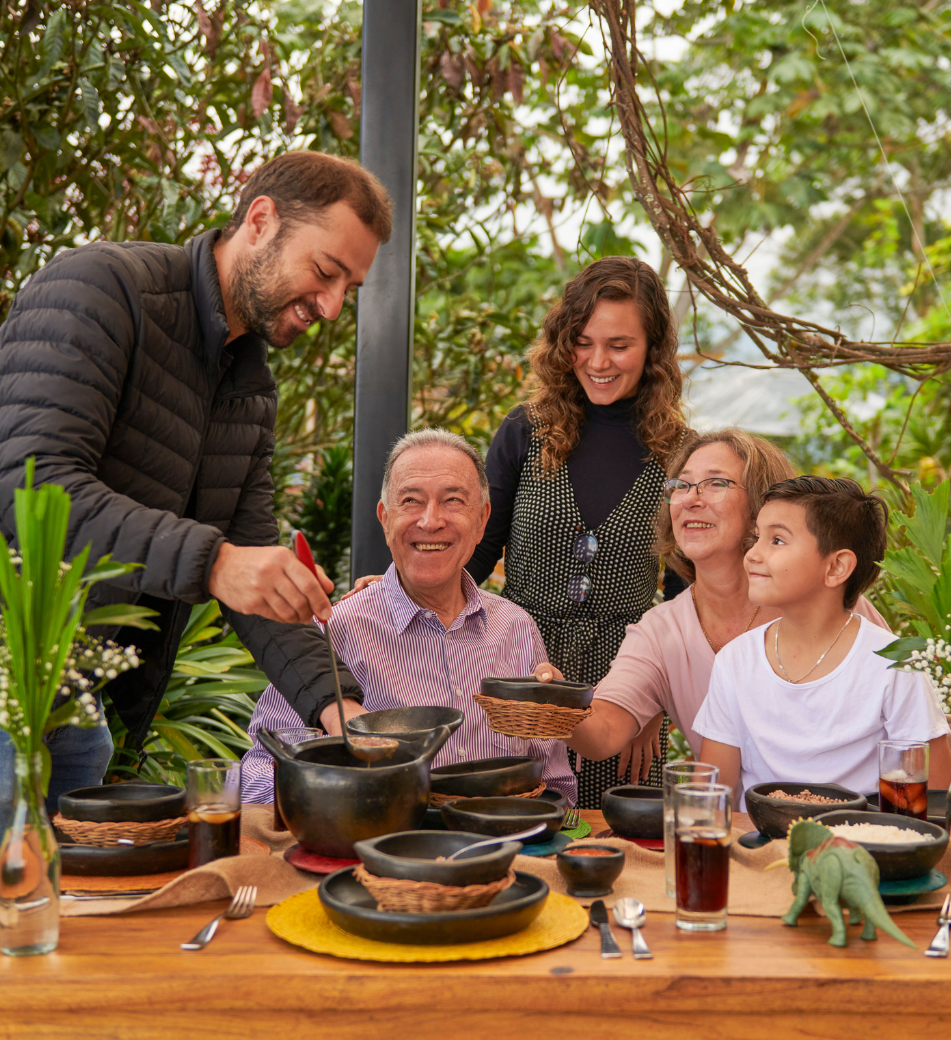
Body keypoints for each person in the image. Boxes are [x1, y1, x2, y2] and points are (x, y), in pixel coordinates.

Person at [0, 150, 391, 810]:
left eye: (347, 291)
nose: (329, 308)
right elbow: (29, 485)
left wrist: (337, 706)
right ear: (261, 220)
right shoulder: (104, 289)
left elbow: (252, 567)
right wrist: (215, 564)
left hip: (72, 698)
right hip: (9, 676)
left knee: (74, 912)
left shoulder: (250, 386)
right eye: (325, 272)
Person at [241, 429, 576, 804]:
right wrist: (342, 787)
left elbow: (556, 781)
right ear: (385, 519)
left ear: (482, 521)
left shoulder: (516, 628)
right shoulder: (334, 631)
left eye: (453, 500)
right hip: (382, 850)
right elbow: (255, 775)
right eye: (411, 501)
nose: (431, 521)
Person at [464, 257, 691, 807]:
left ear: (654, 349)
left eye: (619, 344)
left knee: (610, 845)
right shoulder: (525, 430)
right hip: (518, 677)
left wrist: (653, 699)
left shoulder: (680, 452)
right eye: (583, 342)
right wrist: (399, 597)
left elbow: (685, 599)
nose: (598, 361)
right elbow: (476, 550)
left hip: (623, 692)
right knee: (509, 822)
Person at [538, 429, 889, 774]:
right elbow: (605, 733)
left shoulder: (826, 604)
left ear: (762, 507)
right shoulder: (661, 631)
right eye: (681, 485)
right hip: (729, 823)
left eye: (716, 483)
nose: (691, 498)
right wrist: (555, 702)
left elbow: (906, 723)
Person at [693, 476, 951, 808]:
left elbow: (933, 802)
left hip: (861, 847)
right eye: (756, 537)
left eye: (777, 541)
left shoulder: (894, 665)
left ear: (836, 567)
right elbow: (711, 798)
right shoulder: (735, 661)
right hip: (758, 849)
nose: (752, 555)